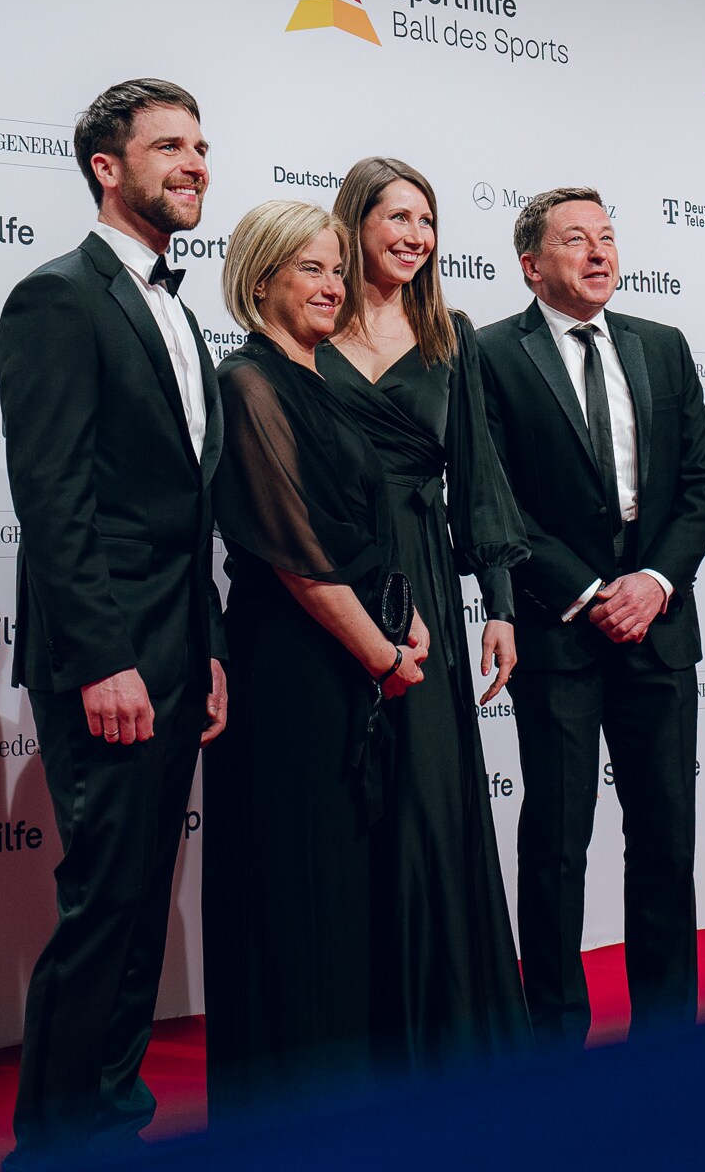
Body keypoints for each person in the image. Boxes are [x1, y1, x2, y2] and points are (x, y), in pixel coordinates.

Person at [0, 78, 227, 1167]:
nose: (194, 163)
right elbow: (52, 498)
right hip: (109, 658)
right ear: (106, 165)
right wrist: (101, 661)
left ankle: (113, 1119)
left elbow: (186, 508)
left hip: (180, 646)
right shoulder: (57, 298)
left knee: (139, 905)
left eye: (200, 146)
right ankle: (50, 1142)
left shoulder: (177, 307)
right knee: (103, 902)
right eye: (169, 146)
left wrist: (210, 648)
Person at [476, 188, 705, 1048]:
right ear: (530, 264)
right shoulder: (489, 356)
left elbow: (701, 483)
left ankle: (666, 1037)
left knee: (663, 840)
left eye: (607, 238)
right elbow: (490, 498)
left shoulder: (661, 346)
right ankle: (553, 1040)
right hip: (558, 633)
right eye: (574, 240)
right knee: (553, 845)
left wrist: (653, 580)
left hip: (658, 631)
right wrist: (585, 591)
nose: (598, 253)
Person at [202, 200, 428, 1109]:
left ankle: (347, 1095)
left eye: (337, 268)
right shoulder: (249, 382)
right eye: (309, 269)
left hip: (354, 663)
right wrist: (380, 651)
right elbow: (294, 552)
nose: (333, 285)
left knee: (342, 884)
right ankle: (290, 1111)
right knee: (295, 883)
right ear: (261, 280)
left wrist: (401, 618)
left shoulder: (321, 380)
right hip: (293, 670)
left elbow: (364, 529)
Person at [317, 157, 531, 1071]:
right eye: (395, 216)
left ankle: (445, 1023)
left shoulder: (452, 335)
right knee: (347, 799)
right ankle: (355, 1025)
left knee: (431, 799)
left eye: (426, 220)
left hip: (428, 587)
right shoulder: (307, 324)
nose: (413, 235)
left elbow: (480, 481)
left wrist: (501, 607)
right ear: (354, 222)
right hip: (325, 578)